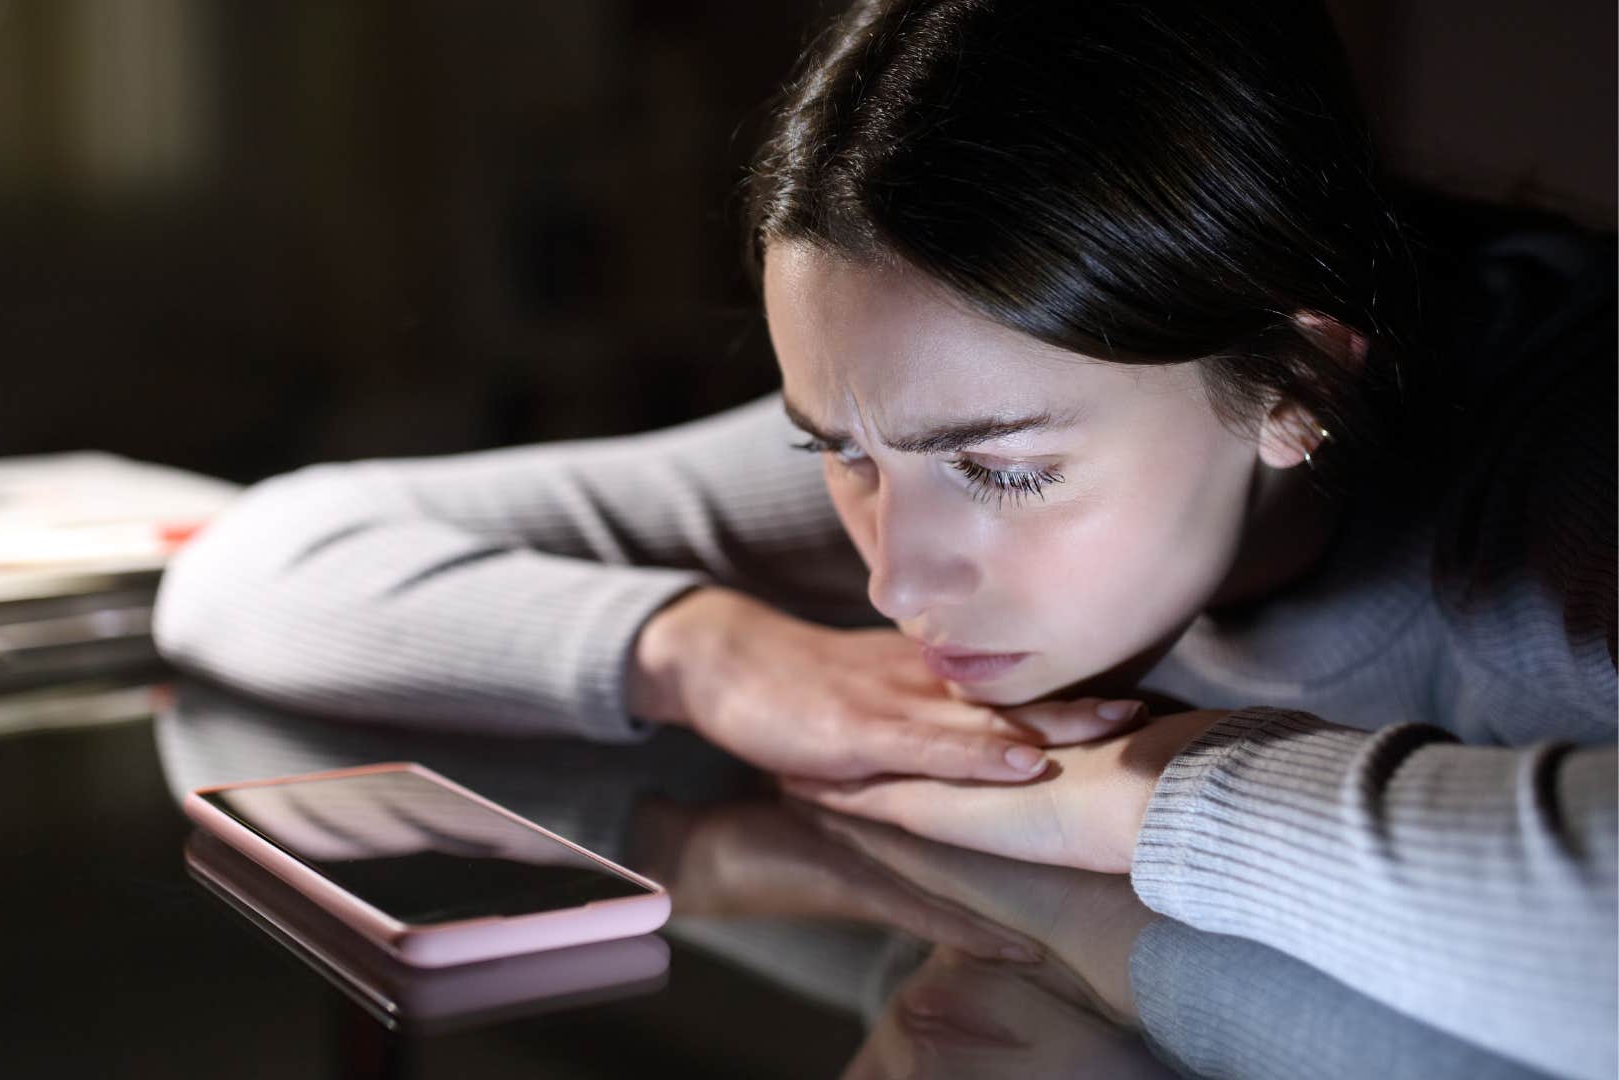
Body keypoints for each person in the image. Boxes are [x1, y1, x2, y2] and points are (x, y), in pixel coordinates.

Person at [152, 1, 1616, 1075]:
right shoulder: (970, 405)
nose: (892, 577)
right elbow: (258, 563)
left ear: (1293, 389)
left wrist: (1156, 799)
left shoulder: (1567, 483)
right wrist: (709, 654)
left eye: (1005, 473)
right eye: (832, 449)